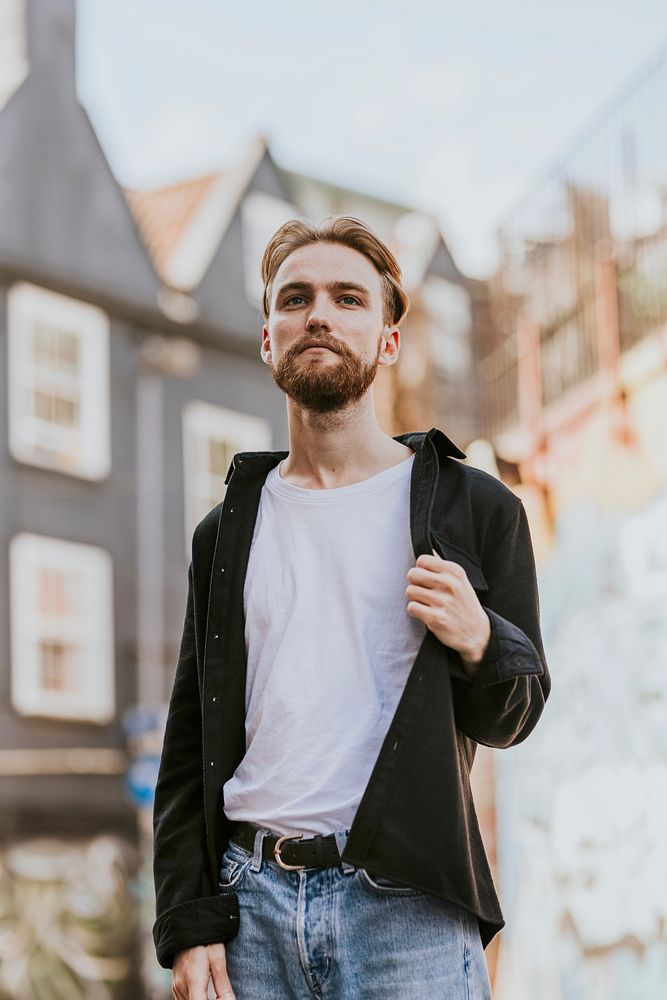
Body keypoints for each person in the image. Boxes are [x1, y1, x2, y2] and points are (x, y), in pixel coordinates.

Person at [153, 215, 551, 1000]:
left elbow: (514, 716)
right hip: (250, 911)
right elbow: (189, 736)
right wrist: (186, 919)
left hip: (410, 912)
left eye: (347, 298)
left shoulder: (477, 509)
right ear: (268, 339)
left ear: (387, 342)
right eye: (294, 299)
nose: (319, 315)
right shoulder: (224, 532)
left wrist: (480, 638)